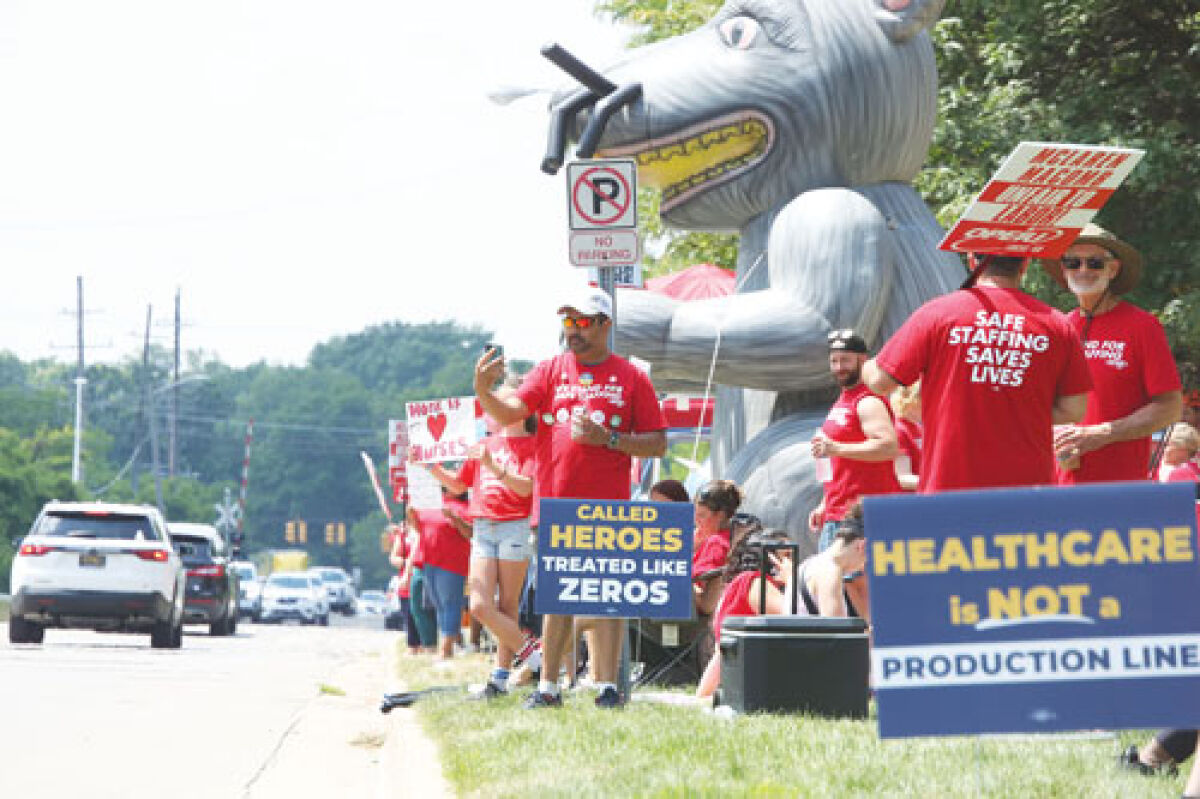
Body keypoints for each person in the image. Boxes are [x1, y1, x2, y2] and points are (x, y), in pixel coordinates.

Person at [474, 286, 667, 709]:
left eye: (581, 322)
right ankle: (548, 687)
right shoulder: (549, 371)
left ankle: (608, 687)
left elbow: (657, 444)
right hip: (555, 504)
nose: (573, 331)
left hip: (608, 504)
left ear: (604, 325)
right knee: (557, 597)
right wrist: (484, 391)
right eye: (567, 322)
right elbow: (510, 414)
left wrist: (609, 438)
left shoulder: (631, 377)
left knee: (610, 597)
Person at [863, 254, 1091, 491]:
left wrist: (870, 365)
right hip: (1027, 491)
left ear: (972, 261)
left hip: (950, 489)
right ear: (1025, 265)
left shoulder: (937, 313)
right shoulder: (1057, 324)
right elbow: (1073, 409)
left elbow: (880, 382)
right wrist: (1012, 410)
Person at [1037, 224, 1182, 482]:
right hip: (1059, 487)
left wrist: (1102, 433)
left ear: (1113, 269)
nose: (1083, 270)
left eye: (1094, 263)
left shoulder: (1143, 326)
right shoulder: (1058, 327)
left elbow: (1170, 408)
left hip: (1120, 489)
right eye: (1073, 262)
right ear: (1063, 268)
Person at [424, 387, 539, 699]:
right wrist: (431, 467)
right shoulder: (485, 442)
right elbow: (459, 484)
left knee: (507, 606)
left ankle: (500, 678)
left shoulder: (532, 444)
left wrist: (493, 466)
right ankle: (534, 655)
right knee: (478, 605)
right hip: (484, 527)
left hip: (514, 525)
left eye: (503, 401)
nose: (494, 407)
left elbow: (526, 488)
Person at [695, 509, 868, 699]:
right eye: (784, 555)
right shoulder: (756, 583)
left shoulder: (810, 566)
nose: (790, 561)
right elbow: (837, 639)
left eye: (791, 555)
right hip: (789, 675)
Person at [809, 329, 900, 549]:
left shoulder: (868, 401)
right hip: (837, 515)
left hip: (864, 518)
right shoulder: (843, 400)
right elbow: (832, 460)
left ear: (863, 360)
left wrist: (837, 448)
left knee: (852, 583)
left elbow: (888, 447)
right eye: (834, 361)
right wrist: (824, 504)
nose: (839, 367)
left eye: (846, 360)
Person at [406, 485, 472, 661]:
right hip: (430, 561)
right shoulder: (431, 504)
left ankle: (446, 648)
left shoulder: (465, 507)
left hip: (452, 563)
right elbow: (421, 528)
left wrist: (455, 519)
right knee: (439, 605)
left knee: (450, 603)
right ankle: (449, 644)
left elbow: (469, 533)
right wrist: (410, 515)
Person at [691, 480, 743, 616]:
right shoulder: (735, 536)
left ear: (720, 516)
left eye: (702, 515)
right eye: (695, 514)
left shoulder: (716, 543)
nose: (696, 521)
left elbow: (707, 604)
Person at [387, 521, 426, 655]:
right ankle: (412, 645)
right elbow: (393, 558)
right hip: (406, 583)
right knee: (409, 616)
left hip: (424, 579)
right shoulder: (403, 534)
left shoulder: (425, 530)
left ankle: (425, 644)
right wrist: (407, 562)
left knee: (422, 614)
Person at [890, 381, 922, 491]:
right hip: (907, 502)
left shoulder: (918, 428)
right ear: (912, 401)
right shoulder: (898, 430)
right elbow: (902, 477)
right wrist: (936, 484)